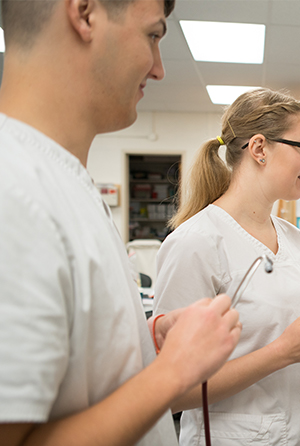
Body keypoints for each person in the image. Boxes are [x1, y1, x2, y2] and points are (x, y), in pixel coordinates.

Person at [0, 1, 243, 446]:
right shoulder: (12, 192)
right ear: (86, 13)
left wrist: (144, 342)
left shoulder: (60, 179)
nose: (159, 69)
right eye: (153, 35)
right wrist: (175, 371)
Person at [152, 87, 300, 446]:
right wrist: (284, 351)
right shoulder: (196, 243)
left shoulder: (294, 238)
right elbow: (172, 392)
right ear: (260, 149)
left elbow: (293, 336)